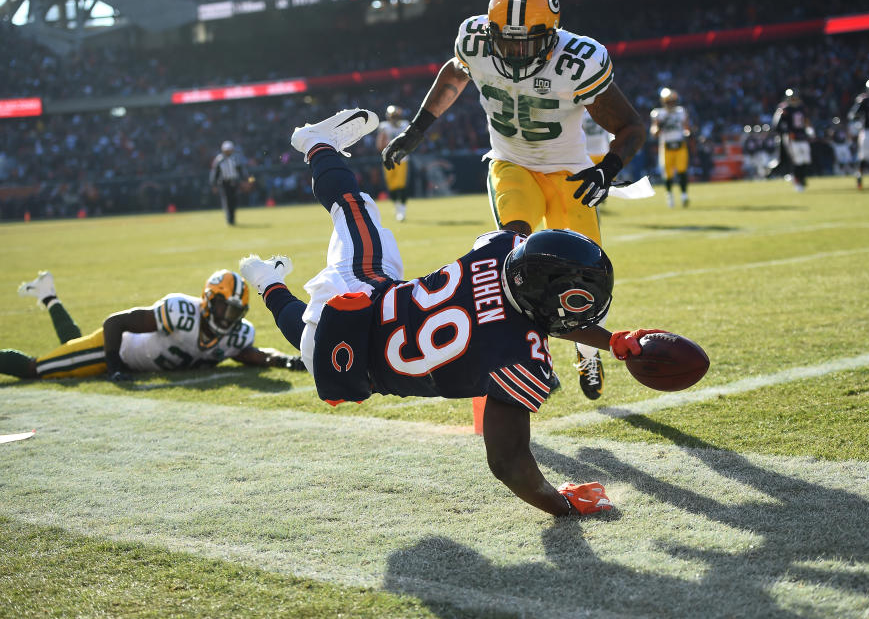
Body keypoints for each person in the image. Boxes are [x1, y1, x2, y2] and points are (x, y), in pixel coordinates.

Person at [242, 108, 664, 517]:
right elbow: (508, 463)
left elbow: (523, 306)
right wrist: (563, 504)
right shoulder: (522, 360)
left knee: (358, 212)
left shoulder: (499, 250)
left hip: (355, 304)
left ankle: (319, 151)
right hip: (341, 369)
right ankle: (270, 273)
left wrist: (609, 340)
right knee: (308, 335)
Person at [381, 0, 647, 402]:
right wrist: (417, 129)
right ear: (490, 32)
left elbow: (631, 126)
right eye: (505, 40)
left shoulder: (577, 60)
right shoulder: (474, 40)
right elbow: (456, 70)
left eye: (527, 42)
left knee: (584, 275)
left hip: (570, 174)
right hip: (511, 164)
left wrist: (607, 170)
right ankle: (527, 356)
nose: (515, 51)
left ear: (552, 35)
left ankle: (586, 351)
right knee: (513, 261)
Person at [1, 269, 305, 381]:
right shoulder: (180, 312)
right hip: (118, 350)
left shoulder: (235, 336)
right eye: (224, 308)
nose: (228, 317)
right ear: (208, 301)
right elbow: (114, 323)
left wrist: (283, 360)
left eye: (235, 311)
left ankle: (47, 294)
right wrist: (114, 365)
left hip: (133, 362)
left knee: (67, 351)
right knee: (36, 369)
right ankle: (47, 293)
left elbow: (248, 353)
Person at [650, 88, 692, 207]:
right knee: (667, 173)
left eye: (672, 101)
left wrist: (688, 133)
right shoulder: (659, 113)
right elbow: (654, 131)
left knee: (682, 171)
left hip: (680, 145)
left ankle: (684, 195)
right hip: (666, 146)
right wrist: (659, 127)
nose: (671, 103)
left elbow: (687, 128)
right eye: (668, 101)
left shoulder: (681, 111)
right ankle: (669, 196)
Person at [771, 88, 814, 192]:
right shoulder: (784, 109)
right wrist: (787, 132)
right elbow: (777, 125)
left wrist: (809, 129)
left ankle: (801, 178)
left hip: (802, 136)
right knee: (797, 160)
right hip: (792, 138)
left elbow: (806, 120)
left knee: (806, 159)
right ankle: (797, 180)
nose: (794, 100)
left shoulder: (801, 108)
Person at [375, 105, 413, 221]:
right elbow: (379, 146)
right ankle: (397, 208)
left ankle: (402, 210)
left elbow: (410, 142)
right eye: (393, 116)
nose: (395, 119)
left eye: (396, 116)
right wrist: (384, 141)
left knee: (400, 184)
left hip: (402, 159)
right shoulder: (384, 127)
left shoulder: (404, 125)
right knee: (392, 186)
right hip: (388, 158)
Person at [209, 140, 249, 226]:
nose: (228, 151)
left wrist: (245, 180)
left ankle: (232, 218)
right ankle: (229, 219)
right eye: (227, 150)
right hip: (224, 183)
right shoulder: (219, 159)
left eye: (229, 149)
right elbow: (215, 173)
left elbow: (241, 171)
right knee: (226, 200)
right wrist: (214, 184)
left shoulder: (236, 158)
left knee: (234, 200)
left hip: (234, 182)